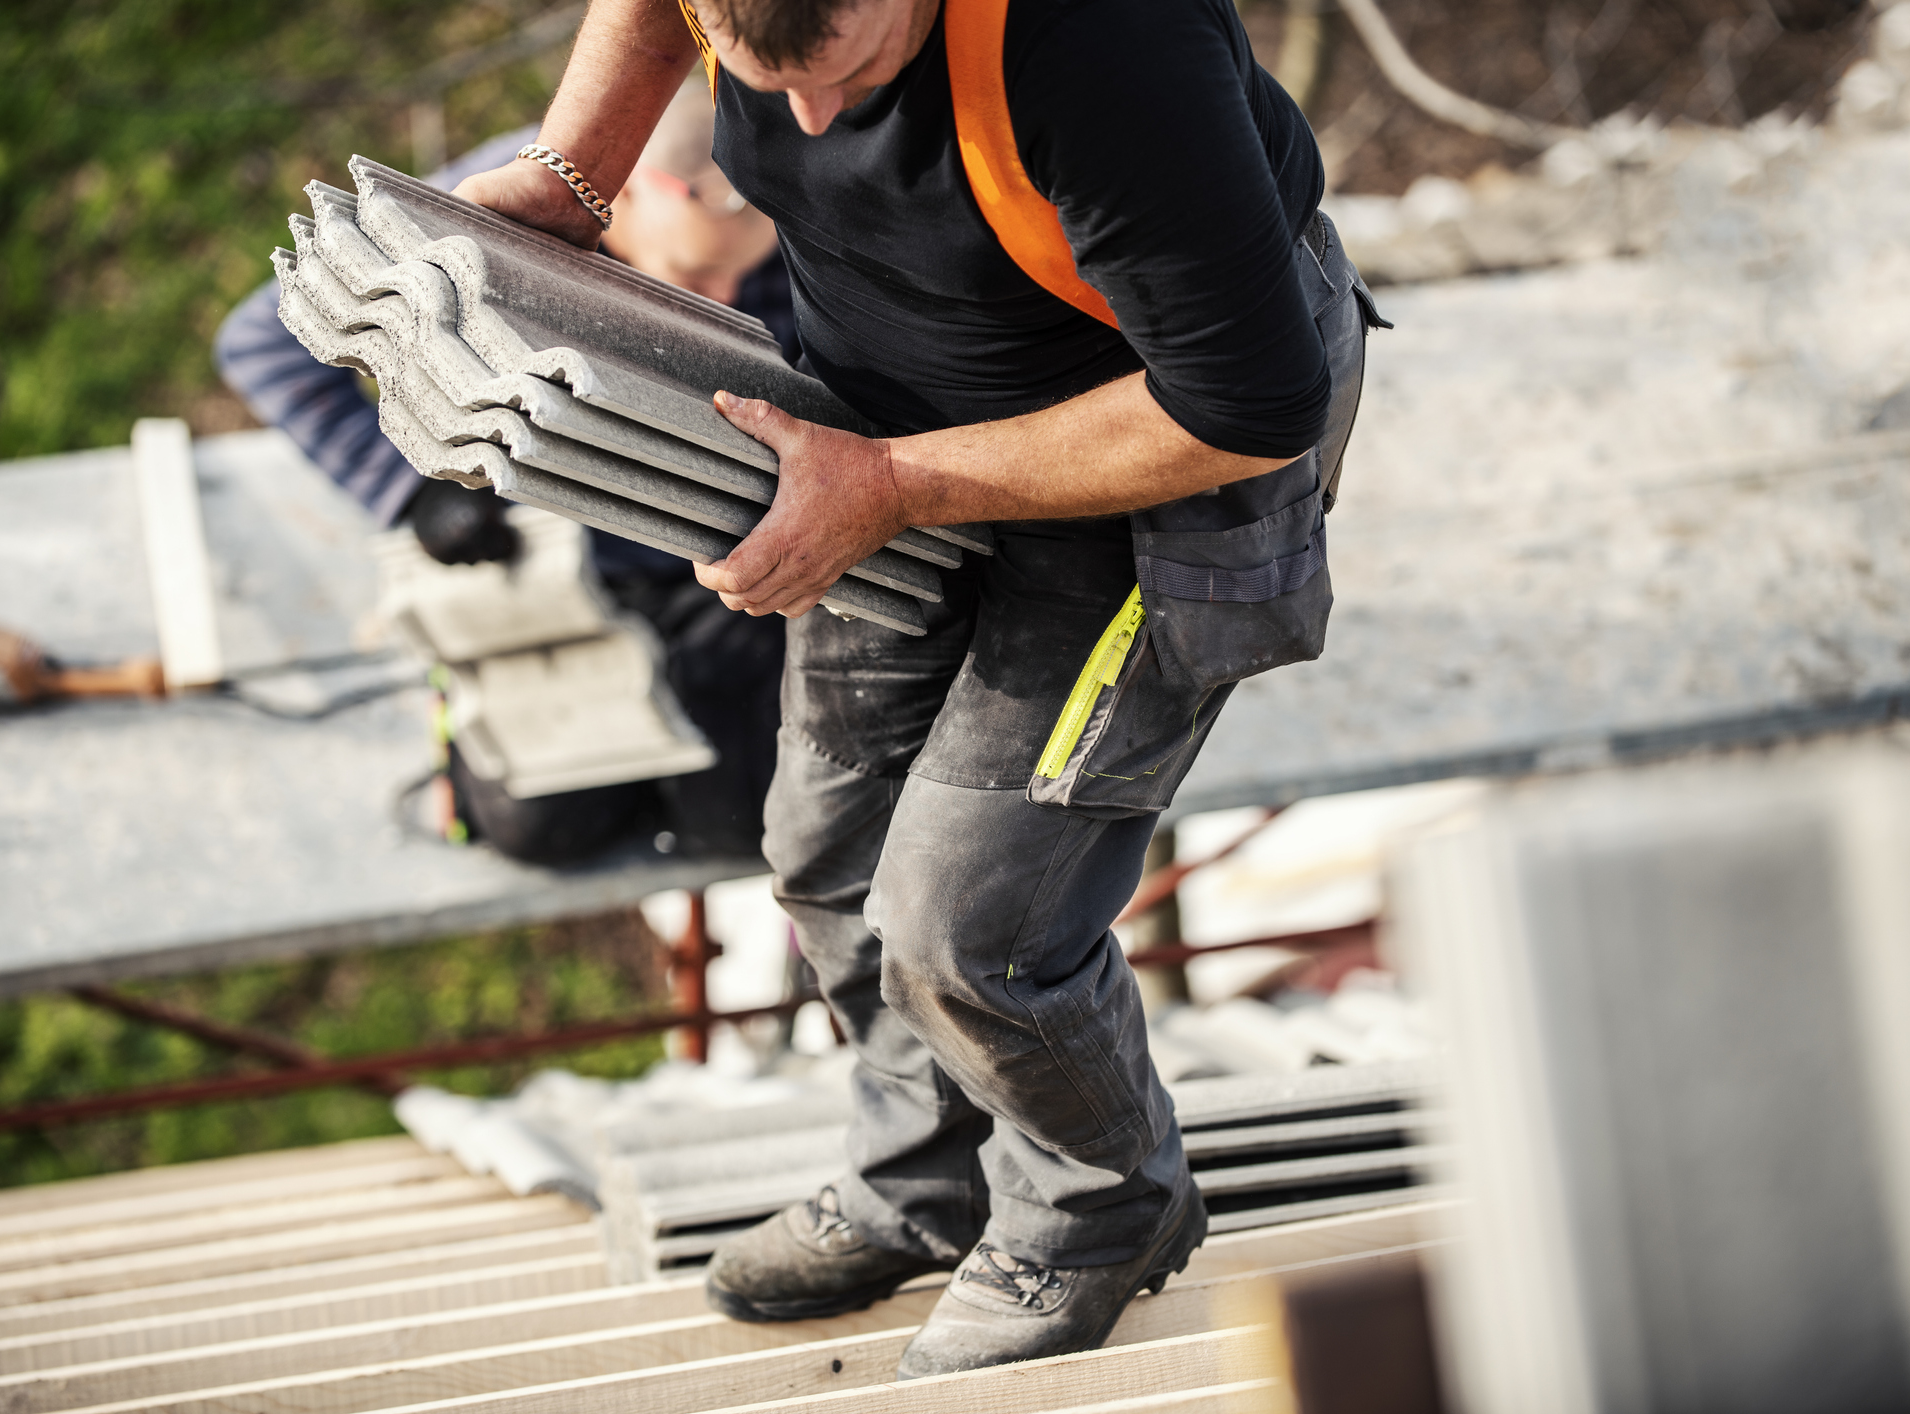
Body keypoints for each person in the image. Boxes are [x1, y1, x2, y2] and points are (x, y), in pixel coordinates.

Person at [453, 0, 1383, 1375]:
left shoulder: (1101, 46)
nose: (810, 124)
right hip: (881, 423)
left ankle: (1097, 1209)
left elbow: (1242, 404)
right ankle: (925, 1177)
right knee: (825, 846)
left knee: (967, 923)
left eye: (848, 75)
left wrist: (891, 487)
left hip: (1145, 456)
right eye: (766, 82)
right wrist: (573, 172)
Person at [215, 84, 793, 863]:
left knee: (734, 826)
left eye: (739, 277)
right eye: (696, 273)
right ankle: (475, 711)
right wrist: (408, 489)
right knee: (540, 834)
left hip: (716, 563)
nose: (724, 301)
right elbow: (262, 343)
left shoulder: (798, 215)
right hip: (550, 558)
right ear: (623, 192)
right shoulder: (497, 211)